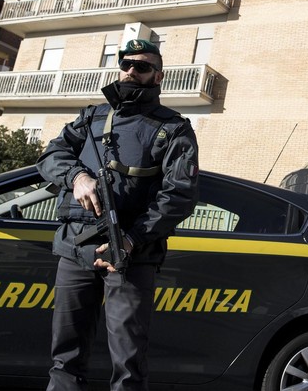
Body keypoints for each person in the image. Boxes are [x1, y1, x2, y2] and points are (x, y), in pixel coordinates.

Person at [37, 38, 200, 391]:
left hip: (130, 254)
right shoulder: (92, 116)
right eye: (125, 63)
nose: (130, 71)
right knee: (65, 355)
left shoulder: (174, 129)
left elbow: (180, 195)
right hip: (75, 248)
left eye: (141, 66)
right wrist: (77, 177)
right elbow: (51, 155)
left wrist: (130, 239)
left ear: (158, 76)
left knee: (128, 361)